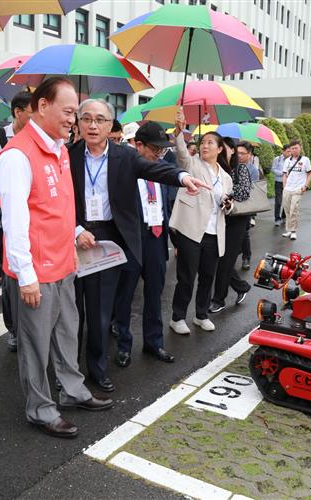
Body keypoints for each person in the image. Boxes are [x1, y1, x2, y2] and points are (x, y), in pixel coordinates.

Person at [0, 77, 114, 439]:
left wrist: (76, 233)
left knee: (67, 334)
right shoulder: (17, 155)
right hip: (36, 270)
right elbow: (15, 221)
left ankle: (73, 390)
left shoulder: (60, 148)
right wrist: (25, 274)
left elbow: (57, 208)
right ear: (41, 106)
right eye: (68, 112)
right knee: (34, 345)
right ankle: (40, 409)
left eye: (74, 113)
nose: (73, 120)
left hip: (64, 262)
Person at [70, 99, 206, 393]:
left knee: (99, 311)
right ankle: (67, 372)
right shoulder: (65, 155)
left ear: (110, 126)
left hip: (108, 235)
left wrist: (183, 177)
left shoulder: (124, 156)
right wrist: (75, 229)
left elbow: (156, 171)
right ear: (78, 122)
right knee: (69, 314)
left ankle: (97, 369)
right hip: (73, 234)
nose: (93, 125)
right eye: (87, 119)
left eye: (100, 120)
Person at [113, 121, 177, 367]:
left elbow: (166, 204)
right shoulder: (124, 168)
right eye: (154, 149)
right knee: (125, 295)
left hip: (157, 238)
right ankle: (123, 345)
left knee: (154, 294)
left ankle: (154, 342)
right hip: (131, 240)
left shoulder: (161, 168)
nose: (159, 154)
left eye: (162, 150)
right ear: (138, 145)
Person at [169, 108, 232, 334]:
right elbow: (181, 152)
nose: (205, 146)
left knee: (207, 276)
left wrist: (228, 204)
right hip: (191, 230)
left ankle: (201, 315)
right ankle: (177, 317)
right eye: (203, 142)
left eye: (210, 143)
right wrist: (178, 129)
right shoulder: (193, 164)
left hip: (215, 233)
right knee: (186, 276)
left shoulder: (225, 177)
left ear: (220, 148)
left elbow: (229, 202)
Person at [0, 91, 33, 351]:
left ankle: (26, 326)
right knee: (10, 270)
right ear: (17, 112)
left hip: (32, 215)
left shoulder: (43, 140)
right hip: (5, 210)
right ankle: (12, 328)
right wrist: (1, 167)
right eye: (31, 111)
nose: (36, 117)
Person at [209, 141, 253, 313]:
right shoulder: (216, 169)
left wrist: (226, 193)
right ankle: (241, 286)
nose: (221, 150)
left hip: (237, 219)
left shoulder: (240, 169)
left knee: (225, 260)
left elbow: (244, 192)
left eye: (225, 147)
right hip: (220, 219)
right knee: (218, 258)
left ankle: (218, 299)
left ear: (231, 150)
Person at [281, 140, 311, 240]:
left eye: (296, 148)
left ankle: (294, 231)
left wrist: (306, 186)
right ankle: (289, 230)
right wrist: (284, 186)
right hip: (287, 189)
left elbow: (310, 173)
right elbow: (285, 174)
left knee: (293, 209)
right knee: (287, 210)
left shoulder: (305, 160)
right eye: (292, 148)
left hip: (298, 189)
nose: (294, 150)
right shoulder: (287, 161)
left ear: (300, 148)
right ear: (290, 149)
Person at [238, 142, 258, 270]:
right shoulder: (232, 166)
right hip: (232, 205)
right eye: (237, 152)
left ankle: (246, 257)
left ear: (249, 155)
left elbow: (253, 190)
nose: (239, 155)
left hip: (246, 207)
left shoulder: (253, 170)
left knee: (244, 233)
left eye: (242, 153)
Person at [271, 144, 289, 226]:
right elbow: (273, 169)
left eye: (290, 151)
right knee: (278, 201)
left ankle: (284, 216)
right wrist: (282, 173)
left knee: (287, 201)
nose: (289, 153)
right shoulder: (277, 159)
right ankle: (277, 218)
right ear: (283, 151)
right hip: (278, 182)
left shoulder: (291, 160)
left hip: (288, 183)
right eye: (288, 151)